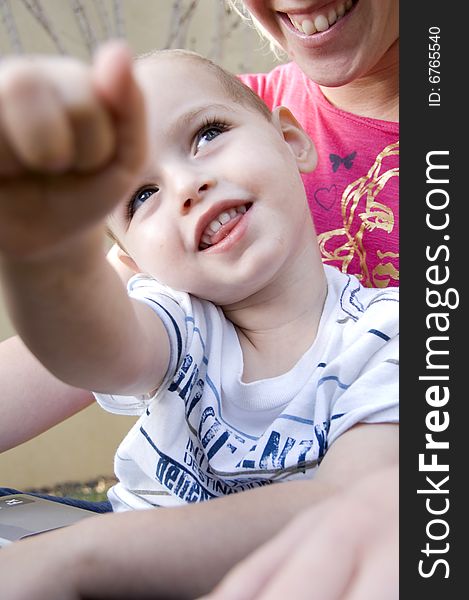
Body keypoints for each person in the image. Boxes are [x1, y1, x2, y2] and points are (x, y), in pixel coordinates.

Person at [0, 42, 398, 598]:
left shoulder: (388, 335)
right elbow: (100, 344)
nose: (187, 186)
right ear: (136, 262)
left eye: (207, 134)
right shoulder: (179, 319)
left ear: (291, 140)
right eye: (141, 196)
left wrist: (70, 559)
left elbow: (353, 504)